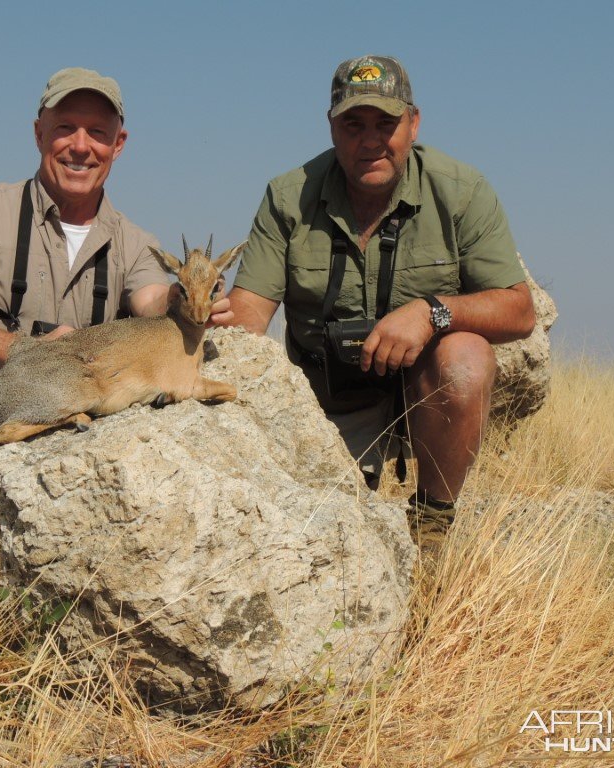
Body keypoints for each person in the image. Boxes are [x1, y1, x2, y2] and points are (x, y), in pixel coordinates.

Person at [222, 55, 535, 535]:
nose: (370, 140)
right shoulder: (286, 197)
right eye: (353, 124)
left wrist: (432, 312)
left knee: (466, 357)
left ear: (413, 124)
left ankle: (432, 526)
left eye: (385, 123)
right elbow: (246, 320)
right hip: (324, 405)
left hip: (425, 396)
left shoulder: (462, 190)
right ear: (331, 127)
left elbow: (520, 310)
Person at [0, 67, 230, 466]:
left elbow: (152, 299)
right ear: (39, 133)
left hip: (89, 402)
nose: (81, 146)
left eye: (98, 132)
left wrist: (188, 297)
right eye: (66, 127)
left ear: (118, 144)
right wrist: (35, 351)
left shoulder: (137, 243)